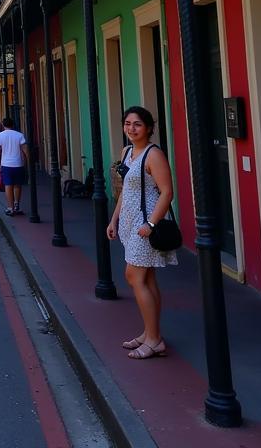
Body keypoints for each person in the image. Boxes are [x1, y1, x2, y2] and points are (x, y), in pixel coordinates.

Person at [108, 106, 177, 360]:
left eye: (137, 124)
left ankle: (154, 339)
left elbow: (167, 192)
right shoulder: (127, 152)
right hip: (129, 221)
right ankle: (150, 333)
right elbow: (125, 190)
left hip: (145, 224)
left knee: (133, 276)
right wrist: (114, 219)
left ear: (148, 128)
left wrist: (151, 224)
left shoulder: (153, 154)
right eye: (127, 123)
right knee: (146, 279)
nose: (131, 128)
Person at [0, 116, 28, 216]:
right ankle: (17, 204)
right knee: (17, 185)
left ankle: (10, 207)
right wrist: (28, 163)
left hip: (6, 164)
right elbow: (25, 150)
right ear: (13, 125)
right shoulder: (19, 135)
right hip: (18, 163)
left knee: (8, 186)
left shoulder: (0, 136)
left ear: (3, 125)